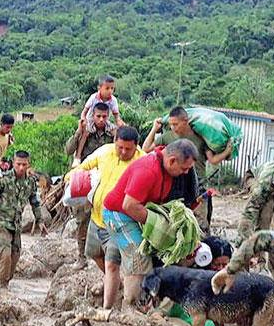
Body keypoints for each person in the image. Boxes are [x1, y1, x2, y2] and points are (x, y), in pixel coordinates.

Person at [102, 139, 197, 310]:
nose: (186, 173)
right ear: (172, 161)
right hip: (119, 215)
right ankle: (130, 307)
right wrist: (160, 226)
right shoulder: (148, 169)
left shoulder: (166, 168)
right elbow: (129, 205)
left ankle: (135, 303)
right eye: (184, 169)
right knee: (140, 259)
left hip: (135, 213)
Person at [143, 107, 232, 234]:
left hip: (199, 185)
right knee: (175, 221)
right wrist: (154, 129)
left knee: (200, 224)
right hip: (174, 184)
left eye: (175, 124)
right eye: (171, 124)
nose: (173, 127)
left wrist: (227, 151)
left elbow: (212, 160)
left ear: (186, 121)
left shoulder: (200, 138)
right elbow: (146, 149)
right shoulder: (167, 137)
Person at [71, 126, 144, 279]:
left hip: (119, 222)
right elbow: (83, 167)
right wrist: (69, 179)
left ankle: (114, 289)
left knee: (112, 263)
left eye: (128, 149)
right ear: (114, 141)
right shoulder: (105, 151)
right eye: (120, 147)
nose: (123, 152)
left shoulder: (142, 162)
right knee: (93, 253)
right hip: (96, 218)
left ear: (136, 146)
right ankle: (116, 283)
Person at [0, 150, 47, 288]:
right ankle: (1, 288)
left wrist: (40, 221)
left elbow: (35, 202)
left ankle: (3, 282)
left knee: (14, 258)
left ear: (29, 164)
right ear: (13, 163)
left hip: (16, 225)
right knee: (4, 256)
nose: (21, 168)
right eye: (18, 164)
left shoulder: (30, 183)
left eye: (24, 164)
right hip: (0, 222)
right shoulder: (3, 180)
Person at [65, 102, 118, 268]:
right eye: (98, 116)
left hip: (106, 180)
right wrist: (79, 132)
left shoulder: (112, 133)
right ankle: (81, 257)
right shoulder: (86, 130)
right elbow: (68, 150)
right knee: (82, 219)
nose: (101, 120)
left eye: (104, 117)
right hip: (86, 181)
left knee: (107, 219)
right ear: (93, 116)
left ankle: (105, 257)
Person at [77, 76, 124, 163]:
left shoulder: (113, 100)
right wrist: (84, 120)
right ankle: (78, 156)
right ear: (99, 88)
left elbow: (116, 116)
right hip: (91, 119)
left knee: (116, 133)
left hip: (105, 120)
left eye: (112, 88)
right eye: (107, 88)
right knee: (85, 133)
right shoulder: (93, 97)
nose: (110, 91)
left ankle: (116, 156)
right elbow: (84, 111)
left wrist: (120, 123)